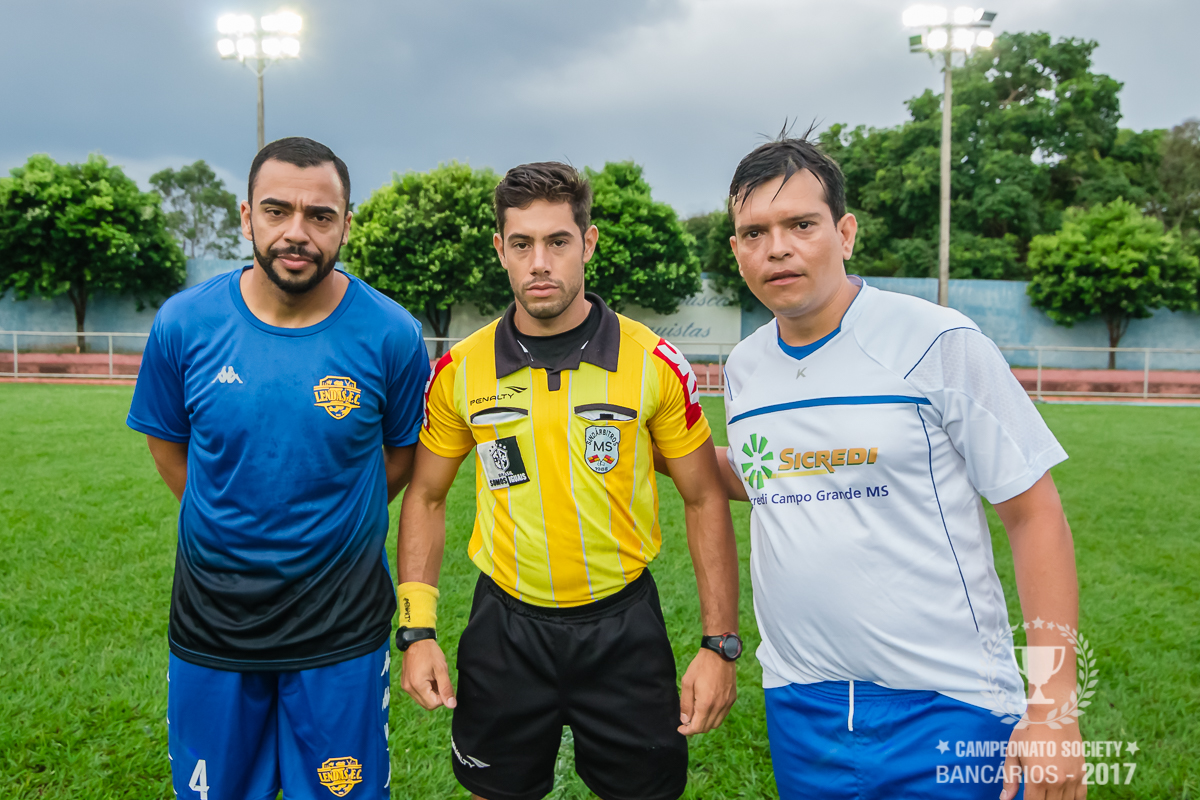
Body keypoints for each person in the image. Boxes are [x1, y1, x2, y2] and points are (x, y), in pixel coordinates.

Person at [710, 135, 1085, 800]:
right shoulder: (745, 368)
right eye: (754, 232)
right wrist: (653, 446)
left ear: (845, 233)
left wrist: (1053, 707)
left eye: (801, 225)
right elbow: (769, 474)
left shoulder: (938, 341)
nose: (777, 248)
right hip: (800, 703)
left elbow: (1034, 516)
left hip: (949, 701)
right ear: (737, 249)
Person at [396, 161, 741, 800]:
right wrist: (417, 631)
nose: (539, 263)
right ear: (499, 249)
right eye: (521, 244)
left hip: (623, 625)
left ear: (588, 242)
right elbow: (426, 495)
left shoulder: (652, 362)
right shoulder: (460, 370)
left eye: (558, 241)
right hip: (504, 626)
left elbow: (702, 497)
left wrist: (720, 644)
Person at [127, 137, 430, 800]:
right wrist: (225, 508)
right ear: (246, 217)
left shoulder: (392, 334)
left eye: (320, 215)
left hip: (341, 627)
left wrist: (336, 518)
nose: (297, 232)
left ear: (346, 224)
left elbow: (401, 455)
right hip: (213, 621)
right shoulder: (184, 323)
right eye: (276, 210)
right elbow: (168, 445)